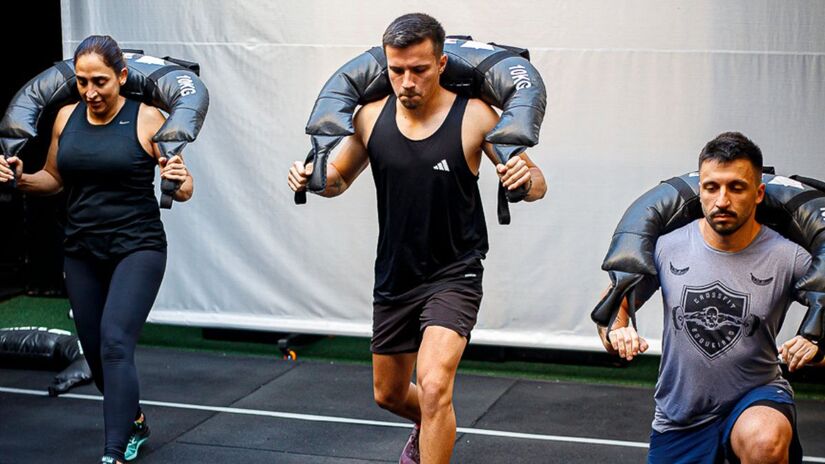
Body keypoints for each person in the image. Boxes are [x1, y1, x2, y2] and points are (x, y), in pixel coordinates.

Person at [289, 13, 546, 464]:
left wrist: (527, 177)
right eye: (396, 70)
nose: (407, 81)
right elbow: (337, 180)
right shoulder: (370, 117)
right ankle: (430, 423)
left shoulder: (475, 116)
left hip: (454, 272)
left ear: (442, 64)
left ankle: (433, 422)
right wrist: (308, 177)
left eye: (419, 70)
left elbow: (535, 183)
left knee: (433, 385)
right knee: (388, 393)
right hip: (395, 274)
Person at [0, 35, 193, 464]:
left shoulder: (147, 119)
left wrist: (178, 178)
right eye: (83, 82)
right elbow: (52, 177)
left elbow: (185, 188)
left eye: (101, 81)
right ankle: (135, 421)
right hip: (82, 249)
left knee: (115, 343)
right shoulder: (66, 117)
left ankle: (113, 453)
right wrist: (18, 178)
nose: (91, 91)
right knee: (96, 352)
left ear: (122, 76)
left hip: (137, 247)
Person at [597, 132, 825, 464]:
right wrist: (617, 331)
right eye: (712, 187)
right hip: (679, 418)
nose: (722, 201)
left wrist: (817, 344)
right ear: (700, 190)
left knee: (765, 442)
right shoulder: (667, 247)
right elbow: (611, 305)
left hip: (756, 398)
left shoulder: (788, 257)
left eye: (736, 187)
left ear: (758, 193)